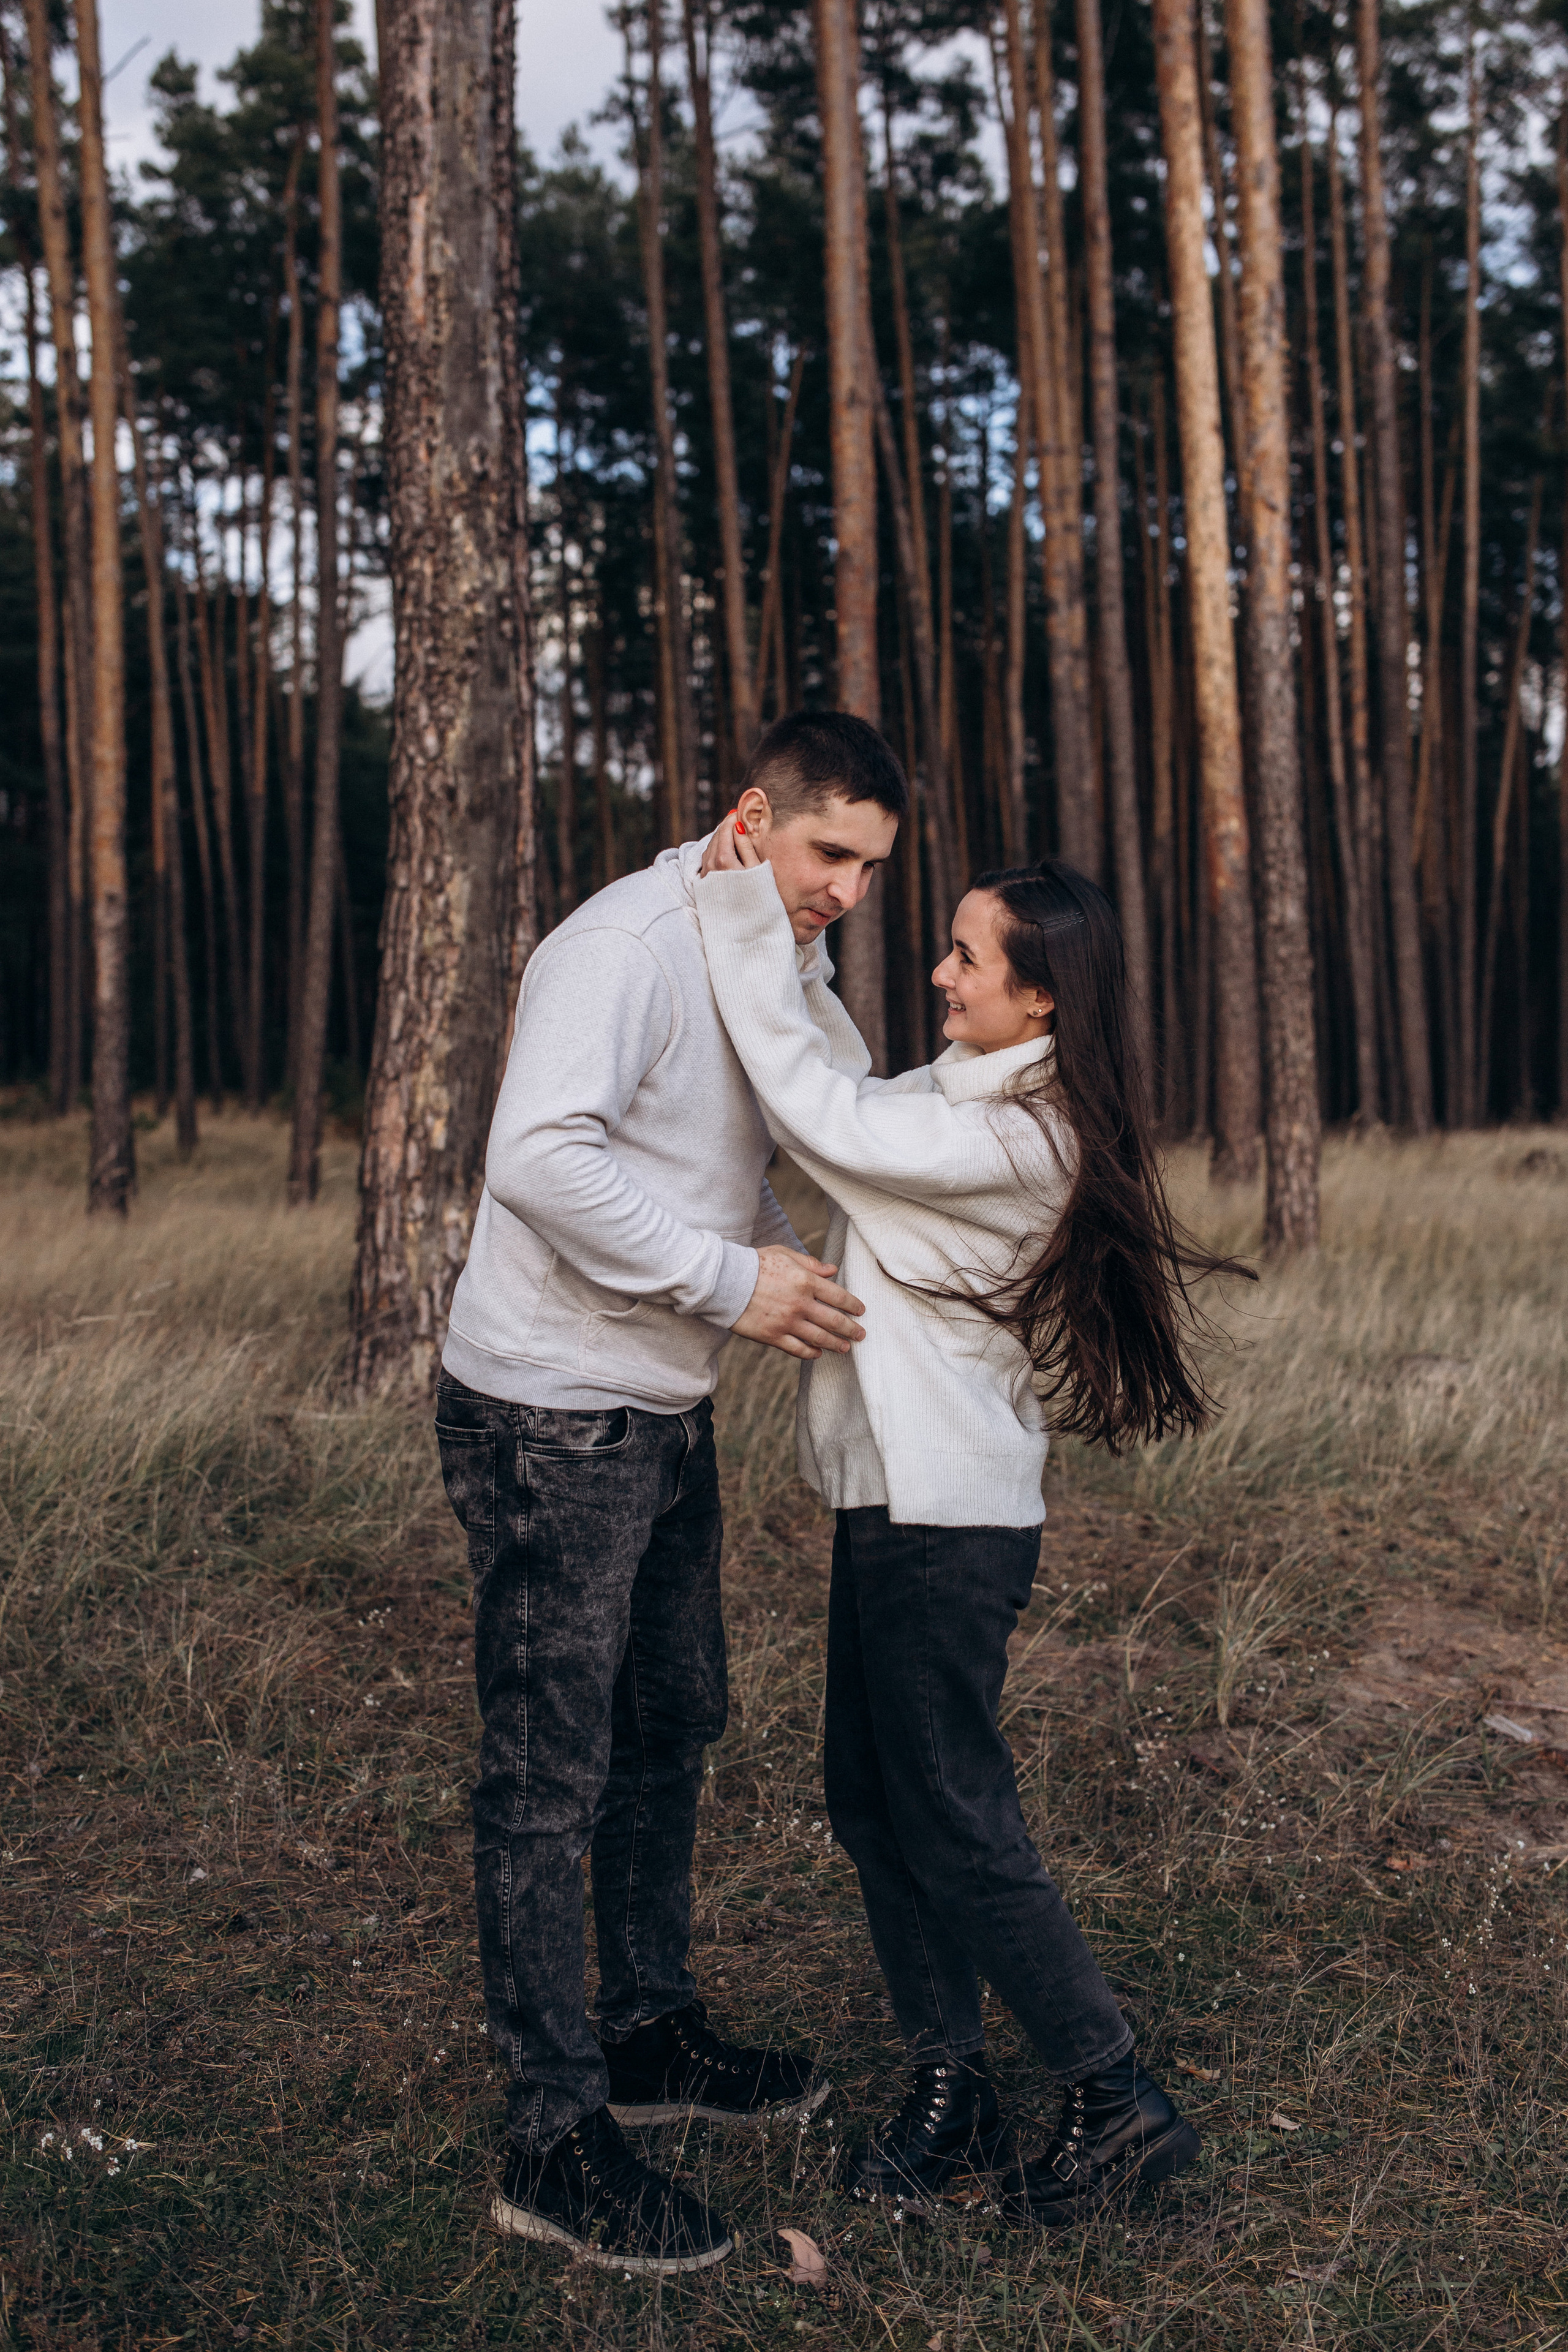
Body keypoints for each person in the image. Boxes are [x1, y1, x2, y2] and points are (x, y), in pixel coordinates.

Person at [696, 821, 1246, 2229]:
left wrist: (748, 917)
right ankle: (951, 2091)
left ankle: (1114, 2097)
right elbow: (850, 1097)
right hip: (895, 1504)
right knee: (875, 1798)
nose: (938, 973)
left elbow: (825, 1116)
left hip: (946, 1526)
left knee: (950, 1811)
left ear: (1040, 992)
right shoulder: (961, 1097)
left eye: (960, 953)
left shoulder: (1013, 1129)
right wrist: (801, 957)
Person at [433, 712, 908, 2274]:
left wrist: (811, 1261)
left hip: (658, 1408)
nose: (844, 887)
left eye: (867, 867)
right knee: (546, 1769)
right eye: (826, 850)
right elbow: (540, 1160)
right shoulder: (623, 945)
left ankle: (643, 2035)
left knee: (673, 1716)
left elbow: (715, 1159)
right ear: (747, 820)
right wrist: (729, 1282)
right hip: (547, 1414)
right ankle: (552, 2135)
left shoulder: (769, 959)